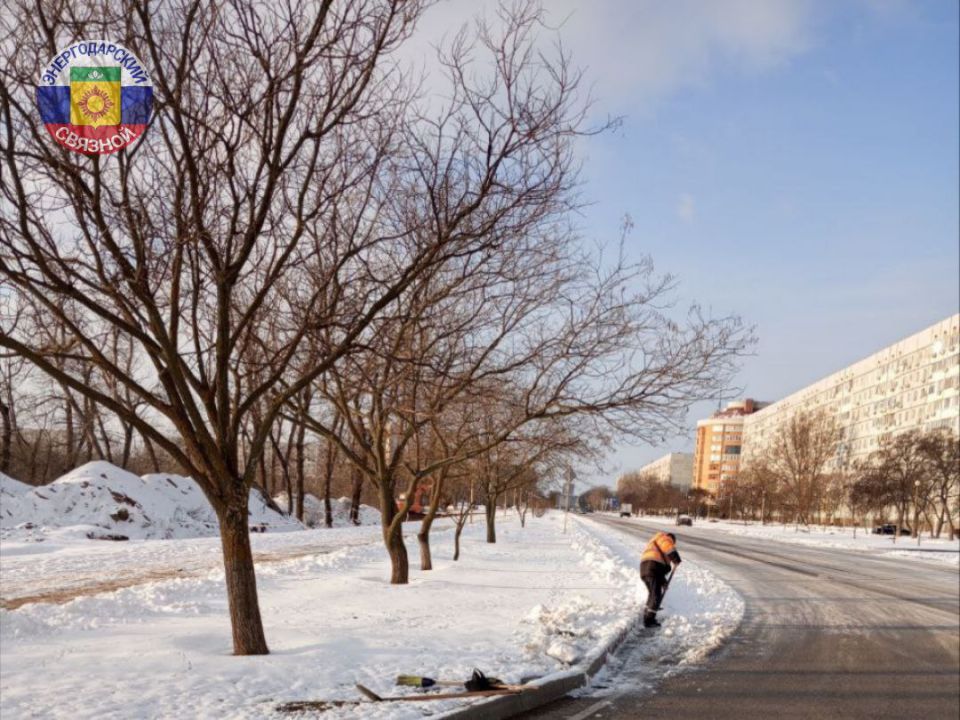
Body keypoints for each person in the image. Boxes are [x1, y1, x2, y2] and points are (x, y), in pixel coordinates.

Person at [640, 531, 681, 628]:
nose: (672, 545)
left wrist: (664, 582)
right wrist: (676, 559)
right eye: (673, 543)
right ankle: (649, 620)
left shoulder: (655, 544)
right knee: (656, 595)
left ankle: (647, 613)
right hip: (652, 567)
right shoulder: (664, 538)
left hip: (645, 568)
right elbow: (668, 547)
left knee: (652, 594)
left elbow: (659, 570)